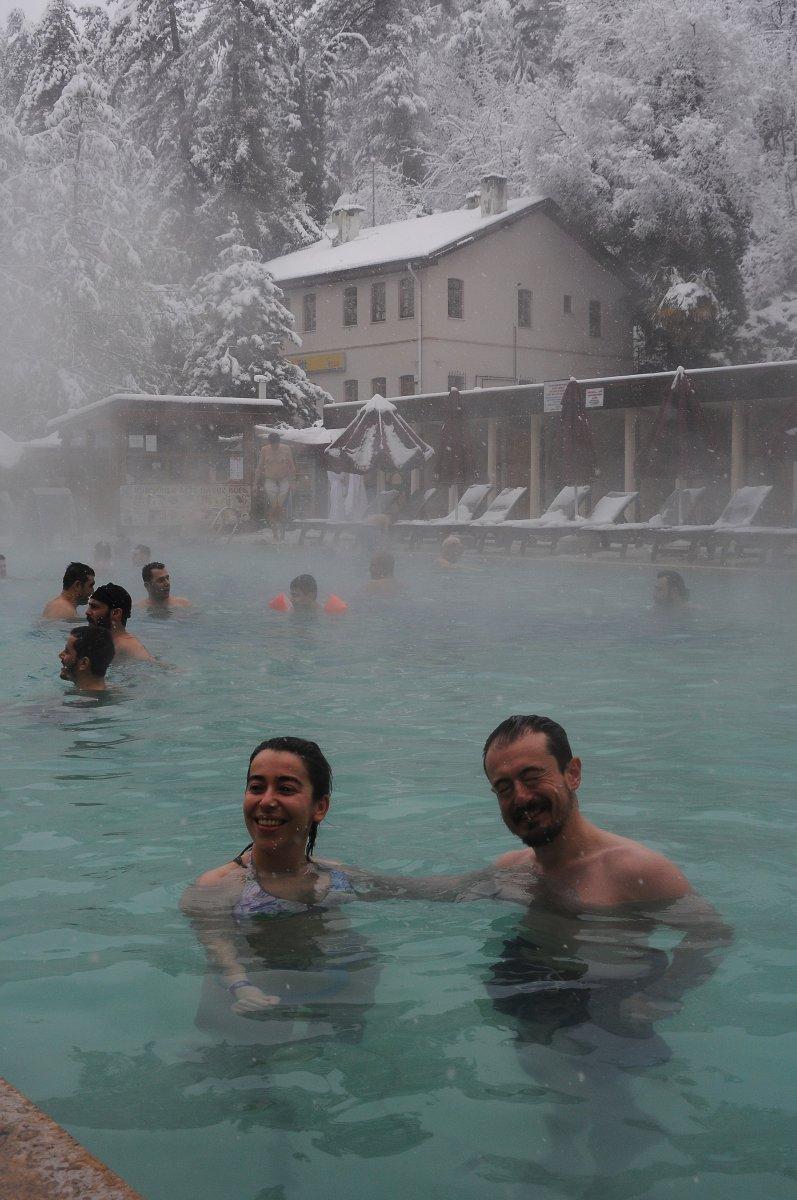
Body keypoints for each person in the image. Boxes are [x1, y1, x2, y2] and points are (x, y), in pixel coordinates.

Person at [181, 737, 377, 1024]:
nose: (267, 801)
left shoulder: (333, 874)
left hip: (330, 996)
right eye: (256, 787)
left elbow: (412, 890)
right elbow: (217, 945)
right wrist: (241, 987)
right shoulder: (218, 885)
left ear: (319, 807)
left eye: (285, 789)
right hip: (250, 1005)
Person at [86, 583, 155, 661]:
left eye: (94, 607)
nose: (87, 612)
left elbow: (152, 666)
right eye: (89, 606)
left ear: (116, 613)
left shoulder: (130, 647)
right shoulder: (107, 643)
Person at [255, 431, 296, 542]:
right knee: (273, 507)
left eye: (276, 444)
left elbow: (292, 467)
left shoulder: (286, 449)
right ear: (269, 443)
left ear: (279, 442)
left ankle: (282, 533)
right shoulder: (264, 450)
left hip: (284, 479)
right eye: (273, 444)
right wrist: (255, 484)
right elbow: (259, 468)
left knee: (282, 507)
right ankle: (275, 534)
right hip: (270, 479)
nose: (275, 447)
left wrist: (292, 482)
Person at [59, 625, 115, 692]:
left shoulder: (78, 701)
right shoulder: (114, 691)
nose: (60, 655)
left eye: (67, 651)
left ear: (83, 663)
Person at [269, 574, 348, 614]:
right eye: (291, 594)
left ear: (310, 596)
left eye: (296, 595)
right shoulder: (296, 609)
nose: (291, 599)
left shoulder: (321, 612)